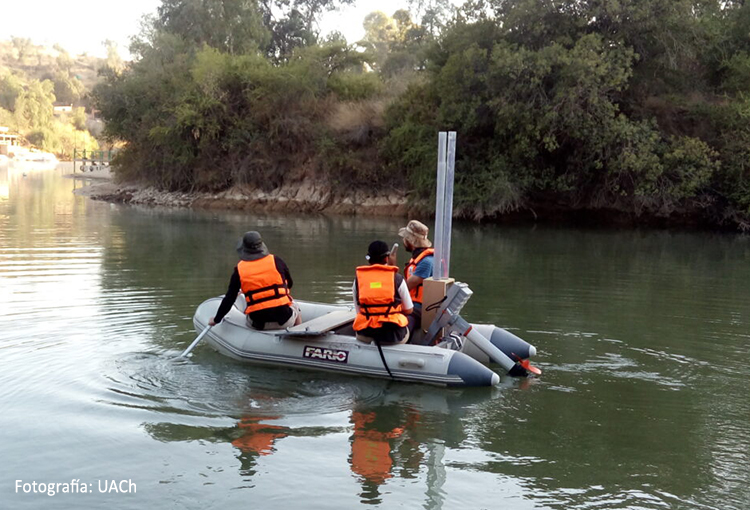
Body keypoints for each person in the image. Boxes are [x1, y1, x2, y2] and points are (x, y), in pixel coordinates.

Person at [210, 231, 301, 330]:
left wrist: (216, 320)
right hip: (284, 321)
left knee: (250, 313)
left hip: (258, 324)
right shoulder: (277, 261)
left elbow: (229, 299)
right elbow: (289, 284)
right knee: (294, 305)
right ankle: (298, 335)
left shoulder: (239, 270)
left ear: (244, 249)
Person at [353, 240, 413, 345]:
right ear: (387, 257)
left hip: (365, 334)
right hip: (393, 336)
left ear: (368, 258)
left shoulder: (358, 280)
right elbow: (408, 310)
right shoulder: (397, 278)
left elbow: (359, 311)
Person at [393, 220, 434, 333]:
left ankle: (400, 336)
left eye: (405, 238)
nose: (403, 240)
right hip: (413, 305)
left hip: (419, 309)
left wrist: (391, 267)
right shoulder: (420, 259)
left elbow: (405, 288)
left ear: (410, 241)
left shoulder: (426, 262)